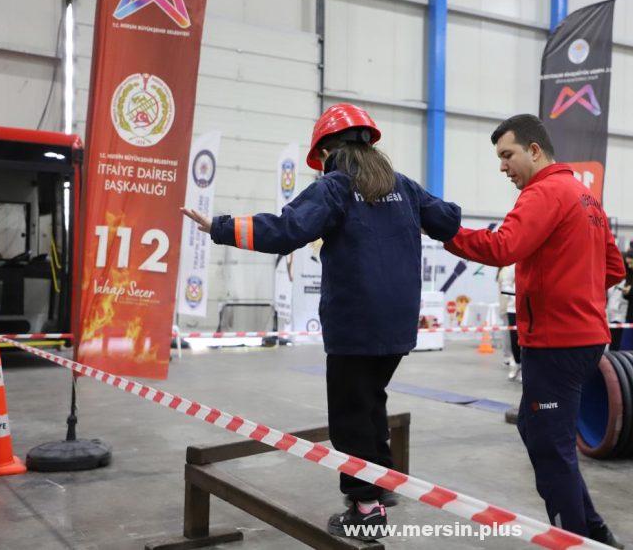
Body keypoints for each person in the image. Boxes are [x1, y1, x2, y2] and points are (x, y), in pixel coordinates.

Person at [181, 103, 461, 540]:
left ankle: (365, 509)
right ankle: (381, 483)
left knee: (350, 414)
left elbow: (286, 230)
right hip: (399, 326)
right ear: (370, 146)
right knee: (371, 399)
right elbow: (447, 219)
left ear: (328, 151)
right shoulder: (404, 187)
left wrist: (218, 226)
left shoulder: (334, 188)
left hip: (354, 325)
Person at [443, 114, 625, 547]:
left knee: (551, 449)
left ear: (534, 151)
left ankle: (575, 540)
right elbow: (614, 267)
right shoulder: (585, 196)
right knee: (534, 426)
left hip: (556, 342)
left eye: (507, 155)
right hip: (586, 338)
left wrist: (445, 231)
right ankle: (595, 532)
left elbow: (503, 247)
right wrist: (574, 288)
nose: (502, 166)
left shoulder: (542, 192)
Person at [498, 264, 521, 380]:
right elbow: (505, 287)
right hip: (514, 309)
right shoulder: (511, 266)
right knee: (515, 340)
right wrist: (519, 295)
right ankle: (517, 364)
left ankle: (524, 368)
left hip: (534, 309)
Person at [607, 277, 627, 352]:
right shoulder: (611, 284)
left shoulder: (626, 283)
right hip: (611, 316)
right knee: (612, 341)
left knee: (617, 341)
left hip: (620, 316)